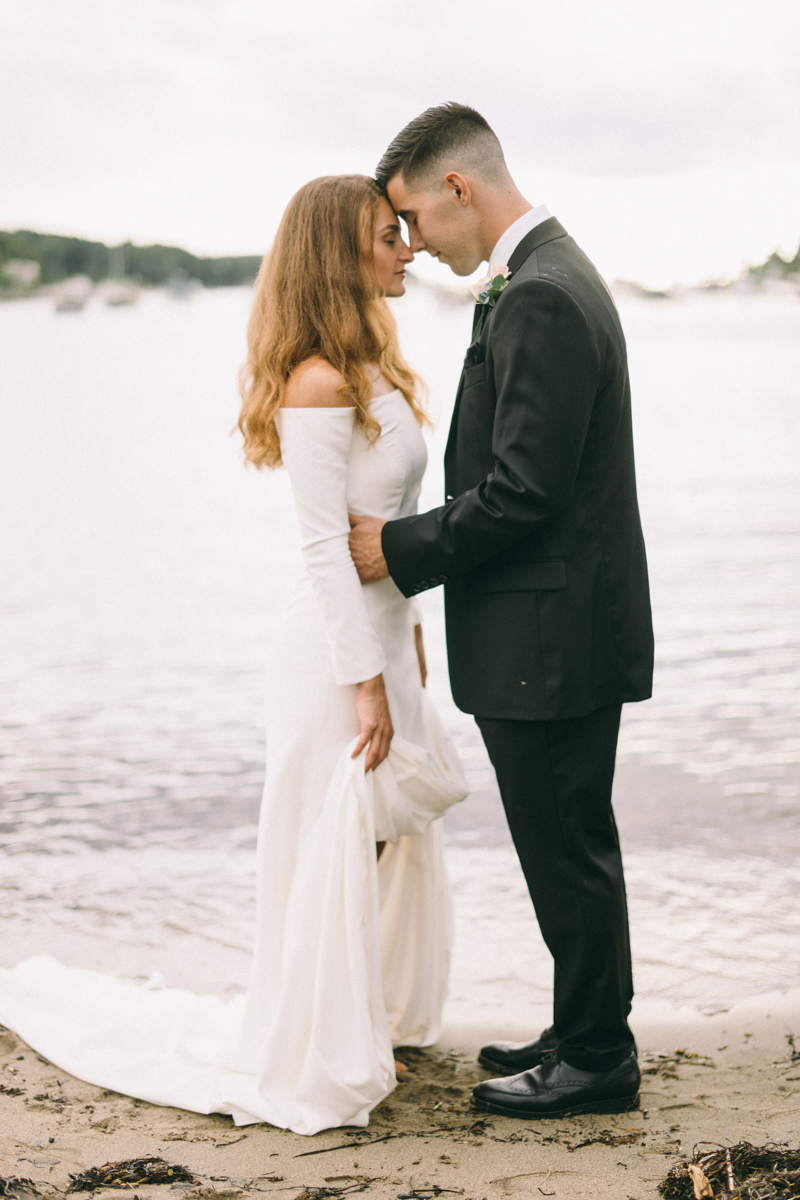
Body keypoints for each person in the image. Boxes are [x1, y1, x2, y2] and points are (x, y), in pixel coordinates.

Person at [0, 174, 466, 1136]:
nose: (407, 247)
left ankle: (368, 1014)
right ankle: (317, 1037)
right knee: (333, 838)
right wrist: (365, 680)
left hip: (388, 634)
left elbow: (394, 527)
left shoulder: (378, 362)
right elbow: (320, 547)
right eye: (389, 235)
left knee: (382, 833)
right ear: (343, 252)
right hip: (334, 652)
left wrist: (410, 645)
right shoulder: (316, 380)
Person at [349, 104, 654, 1120]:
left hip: (552, 635)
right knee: (565, 837)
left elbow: (523, 490)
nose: (413, 246)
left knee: (564, 841)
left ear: (457, 191)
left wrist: (395, 551)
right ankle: (580, 1024)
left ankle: (598, 1058)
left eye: (411, 220)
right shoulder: (541, 280)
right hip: (553, 627)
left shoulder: (542, 299)